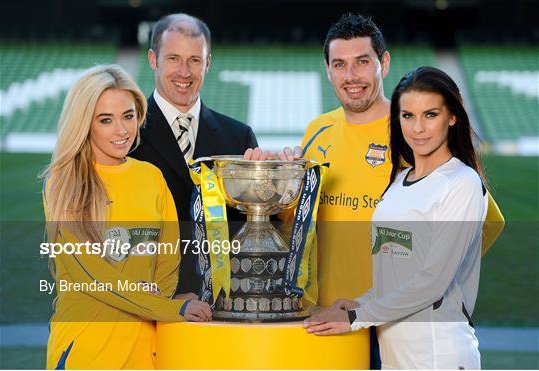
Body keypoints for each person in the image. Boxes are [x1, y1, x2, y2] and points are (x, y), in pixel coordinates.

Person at [247, 13, 504, 368]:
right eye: (340, 64)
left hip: (397, 322)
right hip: (332, 316)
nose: (351, 76)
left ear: (383, 63)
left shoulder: (415, 133)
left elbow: (482, 227)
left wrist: (432, 287)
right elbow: (300, 223)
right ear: (328, 70)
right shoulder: (318, 131)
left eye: (362, 62)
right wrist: (276, 189)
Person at [304, 66, 487, 369]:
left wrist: (356, 317)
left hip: (438, 355)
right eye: (407, 116)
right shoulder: (399, 180)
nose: (417, 128)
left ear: (452, 117)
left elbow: (432, 282)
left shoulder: (462, 183)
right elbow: (397, 274)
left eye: (430, 114)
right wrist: (361, 302)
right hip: (394, 355)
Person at [41, 64, 211, 369]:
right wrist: (169, 308)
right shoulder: (63, 184)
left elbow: (167, 260)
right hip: (86, 350)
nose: (122, 131)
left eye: (128, 116)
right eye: (106, 120)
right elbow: (94, 277)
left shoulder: (151, 177)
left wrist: (160, 300)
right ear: (85, 123)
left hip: (147, 349)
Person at [130, 13, 258, 296]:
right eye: (174, 58)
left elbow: (256, 232)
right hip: (148, 305)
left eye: (195, 60)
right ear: (153, 59)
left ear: (208, 63)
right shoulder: (127, 136)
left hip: (224, 306)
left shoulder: (239, 137)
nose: (184, 72)